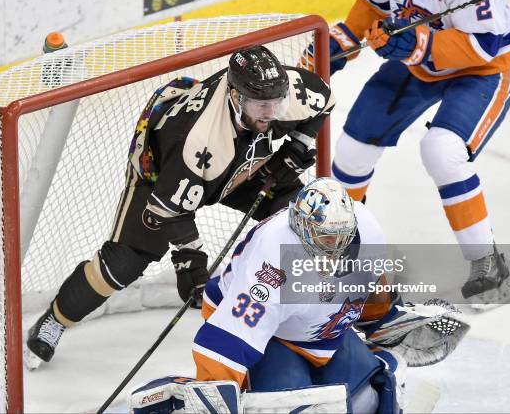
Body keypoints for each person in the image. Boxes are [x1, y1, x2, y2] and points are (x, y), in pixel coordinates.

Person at [25, 45, 335, 365]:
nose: (271, 113)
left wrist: (298, 145)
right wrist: (190, 258)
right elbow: (171, 209)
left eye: (277, 103)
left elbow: (325, 100)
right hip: (162, 174)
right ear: (234, 95)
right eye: (261, 105)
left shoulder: (285, 94)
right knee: (124, 263)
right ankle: (56, 319)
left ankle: (325, 313)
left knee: (307, 220)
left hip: (241, 163)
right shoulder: (196, 138)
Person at [128, 178, 468, 413]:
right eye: (324, 238)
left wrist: (384, 319)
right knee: (295, 407)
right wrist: (213, 395)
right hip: (269, 334)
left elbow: (366, 285)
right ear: (301, 228)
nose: (334, 247)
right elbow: (230, 337)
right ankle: (179, 392)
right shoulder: (274, 260)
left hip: (320, 331)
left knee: (373, 394)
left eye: (340, 237)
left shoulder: (368, 229)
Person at [301, 0, 510, 304]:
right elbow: (371, 7)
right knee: (353, 148)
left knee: (442, 150)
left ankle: (486, 260)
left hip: (482, 70)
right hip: (417, 65)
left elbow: (485, 44)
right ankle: (342, 244)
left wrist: (422, 44)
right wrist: (341, 40)